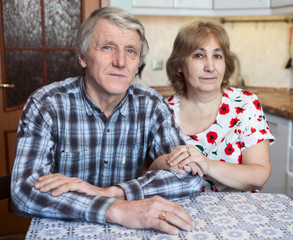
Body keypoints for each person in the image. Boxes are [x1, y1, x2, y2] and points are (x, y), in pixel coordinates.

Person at [11, 7, 201, 235]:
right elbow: (24, 192)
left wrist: (116, 192)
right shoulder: (46, 104)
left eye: (131, 51)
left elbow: (190, 177)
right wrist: (116, 209)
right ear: (82, 56)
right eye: (108, 47)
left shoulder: (151, 105)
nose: (121, 62)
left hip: (129, 232)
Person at [150, 21, 274, 192]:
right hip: (180, 212)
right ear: (179, 65)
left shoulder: (245, 105)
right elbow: (145, 174)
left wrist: (207, 165)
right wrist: (161, 163)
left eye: (217, 56)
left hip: (240, 213)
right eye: (199, 56)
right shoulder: (162, 112)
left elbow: (259, 175)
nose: (210, 67)